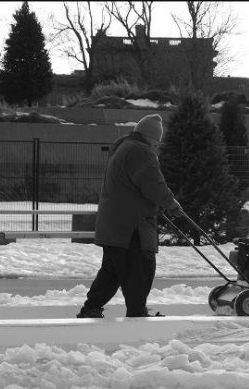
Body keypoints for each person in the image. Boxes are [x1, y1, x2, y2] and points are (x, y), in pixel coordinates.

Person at [77, 114, 183, 318]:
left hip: (114, 225)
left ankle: (91, 308)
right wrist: (170, 203)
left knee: (113, 270)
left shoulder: (124, 147)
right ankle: (137, 313)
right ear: (151, 139)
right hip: (131, 227)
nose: (157, 148)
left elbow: (135, 186)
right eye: (157, 143)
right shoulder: (140, 152)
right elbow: (153, 183)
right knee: (140, 268)